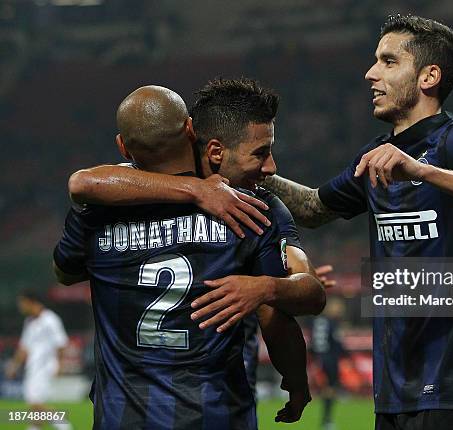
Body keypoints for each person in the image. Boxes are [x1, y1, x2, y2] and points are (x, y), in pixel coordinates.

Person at [261, 14, 453, 430]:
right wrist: (250, 173)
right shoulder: (375, 155)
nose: (371, 73)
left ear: (428, 76)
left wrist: (425, 171)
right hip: (394, 387)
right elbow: (315, 208)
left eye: (389, 62)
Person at [53, 84, 316, 429]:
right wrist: (296, 381)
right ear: (190, 130)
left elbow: (65, 272)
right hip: (216, 414)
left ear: (122, 146)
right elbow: (276, 318)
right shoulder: (250, 208)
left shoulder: (96, 209)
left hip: (122, 416)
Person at [4, 291, 72, 430]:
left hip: (45, 367)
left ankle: (64, 426)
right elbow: (24, 347)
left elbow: (61, 343)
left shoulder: (50, 320)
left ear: (31, 302)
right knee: (33, 405)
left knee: (35, 403)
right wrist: (14, 365)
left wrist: (60, 364)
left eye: (22, 303)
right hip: (33, 367)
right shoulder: (29, 322)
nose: (20, 306)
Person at [310, 296, 347, 430]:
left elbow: (312, 342)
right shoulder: (332, 323)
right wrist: (346, 355)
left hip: (319, 358)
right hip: (330, 358)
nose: (340, 311)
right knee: (330, 389)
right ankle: (327, 420)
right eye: (338, 308)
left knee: (326, 389)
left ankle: (326, 419)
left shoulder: (317, 321)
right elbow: (337, 342)